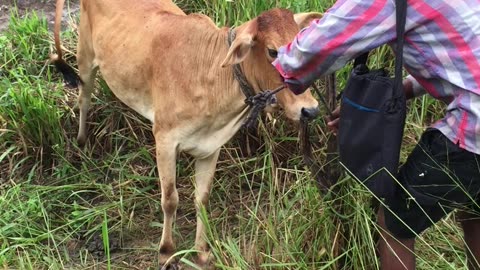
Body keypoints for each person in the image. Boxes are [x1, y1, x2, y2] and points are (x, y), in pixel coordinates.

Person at [273, 0, 480, 269]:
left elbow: (316, 46)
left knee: (395, 221)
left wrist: (271, 69)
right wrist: (403, 89)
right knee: (474, 209)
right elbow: (459, 57)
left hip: (473, 127)